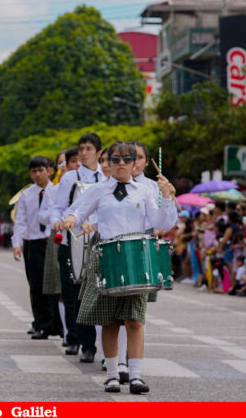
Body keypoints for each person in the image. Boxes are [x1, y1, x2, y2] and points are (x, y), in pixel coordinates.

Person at [62, 141, 177, 394]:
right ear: (109, 163)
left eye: (128, 159)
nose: (122, 164)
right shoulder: (97, 190)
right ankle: (113, 375)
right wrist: (70, 220)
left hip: (136, 257)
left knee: (135, 320)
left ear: (136, 162)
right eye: (116, 159)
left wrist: (167, 198)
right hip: (107, 257)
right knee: (109, 321)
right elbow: (77, 212)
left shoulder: (144, 191)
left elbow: (160, 221)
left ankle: (135, 376)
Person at [51, 133, 103, 363]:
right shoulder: (69, 178)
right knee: (73, 294)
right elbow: (58, 207)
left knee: (97, 294)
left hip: (97, 241)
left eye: (89, 148)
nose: (83, 152)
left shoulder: (106, 176)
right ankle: (81, 341)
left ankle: (97, 344)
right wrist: (59, 220)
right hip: (70, 241)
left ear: (99, 153)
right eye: (81, 148)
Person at [12, 156, 57, 340]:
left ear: (49, 170)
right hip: (34, 242)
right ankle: (40, 323)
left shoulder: (57, 191)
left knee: (55, 285)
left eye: (41, 170)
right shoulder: (26, 195)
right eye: (34, 171)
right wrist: (17, 244)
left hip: (53, 240)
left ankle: (56, 323)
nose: (38, 174)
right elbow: (20, 221)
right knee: (36, 284)